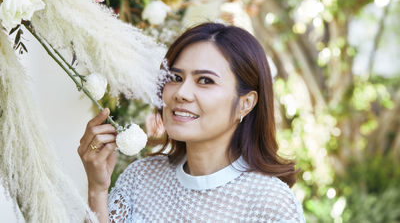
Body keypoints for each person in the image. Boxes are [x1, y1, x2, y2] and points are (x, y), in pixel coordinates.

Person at [78, 23, 305, 222]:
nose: (182, 93)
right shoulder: (140, 178)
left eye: (205, 80)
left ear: (245, 103)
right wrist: (97, 190)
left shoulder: (271, 204)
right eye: (176, 78)